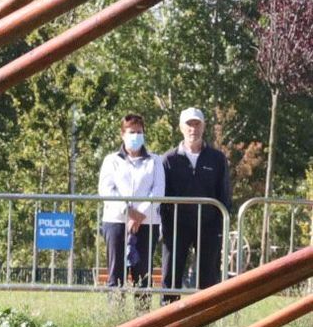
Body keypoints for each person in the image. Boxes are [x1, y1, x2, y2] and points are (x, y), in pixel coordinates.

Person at [160, 107, 232, 294]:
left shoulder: (217, 159)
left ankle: (207, 320)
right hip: (177, 227)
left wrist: (219, 225)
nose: (193, 129)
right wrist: (166, 224)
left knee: (209, 279)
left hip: (208, 227)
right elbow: (162, 196)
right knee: (171, 277)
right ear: (181, 127)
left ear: (204, 126)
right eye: (189, 124)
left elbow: (224, 194)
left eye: (197, 124)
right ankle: (169, 320)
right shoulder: (168, 159)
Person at [98, 113, 166, 294]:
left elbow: (158, 190)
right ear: (122, 134)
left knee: (143, 275)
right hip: (116, 222)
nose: (135, 136)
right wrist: (128, 212)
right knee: (116, 273)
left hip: (147, 223)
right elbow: (106, 190)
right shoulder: (111, 160)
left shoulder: (155, 160)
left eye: (139, 132)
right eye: (131, 132)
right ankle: (116, 316)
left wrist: (140, 214)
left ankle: (143, 317)